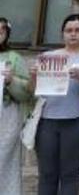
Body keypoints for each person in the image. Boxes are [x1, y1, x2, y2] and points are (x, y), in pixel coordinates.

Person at [29, 14, 79, 195]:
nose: (73, 34)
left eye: (78, 30)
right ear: (62, 34)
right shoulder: (48, 56)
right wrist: (33, 76)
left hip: (77, 120)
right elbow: (33, 91)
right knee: (47, 174)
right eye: (68, 30)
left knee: (70, 174)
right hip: (47, 120)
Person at [0, 17, 32, 195]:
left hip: (6, 118)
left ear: (6, 34)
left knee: (3, 163)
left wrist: (11, 81)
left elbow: (26, 93)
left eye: (1, 31)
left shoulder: (14, 58)